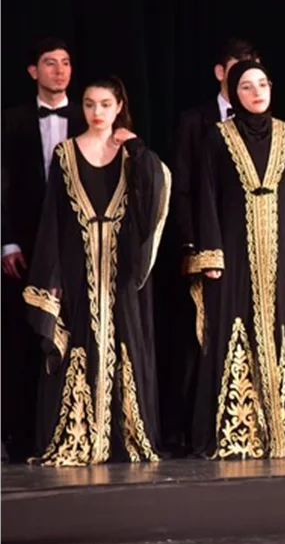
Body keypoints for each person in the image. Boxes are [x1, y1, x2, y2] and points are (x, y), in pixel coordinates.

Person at [23, 76, 170, 465]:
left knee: (125, 337)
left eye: (105, 104)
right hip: (77, 263)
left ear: (119, 105)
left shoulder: (133, 155)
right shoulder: (65, 153)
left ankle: (124, 435)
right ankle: (81, 435)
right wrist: (51, 279)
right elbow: (52, 220)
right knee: (80, 338)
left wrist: (136, 148)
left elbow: (154, 197)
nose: (97, 112)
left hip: (121, 267)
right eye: (89, 104)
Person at [191, 60, 285, 459]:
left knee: (279, 330)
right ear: (233, 93)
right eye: (246, 86)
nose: (257, 92)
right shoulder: (217, 136)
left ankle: (281, 431)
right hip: (232, 250)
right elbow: (205, 194)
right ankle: (236, 433)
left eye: (263, 83)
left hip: (278, 251)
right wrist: (211, 253)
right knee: (233, 328)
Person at [169, 37, 259, 451]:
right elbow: (187, 187)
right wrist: (194, 243)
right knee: (200, 336)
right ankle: (193, 426)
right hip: (208, 243)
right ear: (222, 73)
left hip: (255, 241)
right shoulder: (196, 120)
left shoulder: (271, 125)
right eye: (239, 70)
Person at [0, 38, 85, 460]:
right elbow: (2, 188)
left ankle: (70, 427)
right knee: (24, 337)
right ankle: (19, 433)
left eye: (66, 63)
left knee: (73, 335)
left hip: (78, 244)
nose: (59, 70)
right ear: (34, 71)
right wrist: (7, 241)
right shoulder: (12, 121)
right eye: (50, 64)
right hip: (27, 245)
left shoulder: (89, 115)